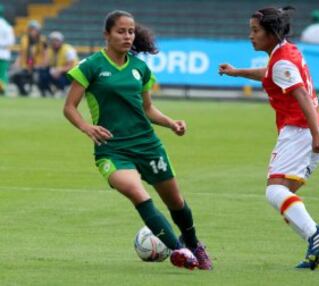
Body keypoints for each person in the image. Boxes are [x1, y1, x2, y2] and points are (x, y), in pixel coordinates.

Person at [63, 10, 212, 270]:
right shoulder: (91, 66)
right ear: (106, 35)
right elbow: (69, 107)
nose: (127, 36)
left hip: (147, 145)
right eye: (121, 31)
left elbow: (147, 109)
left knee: (175, 202)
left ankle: (194, 244)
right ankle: (181, 253)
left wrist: (171, 123)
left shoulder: (140, 68)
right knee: (136, 192)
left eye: (130, 31)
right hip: (112, 149)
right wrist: (87, 127)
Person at [219, 6, 319, 270]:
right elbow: (269, 73)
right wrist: (237, 72)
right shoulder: (284, 53)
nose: (251, 35)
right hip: (309, 130)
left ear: (271, 33)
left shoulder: (282, 60)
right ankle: (317, 241)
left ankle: (314, 234)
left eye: (256, 31)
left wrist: (315, 133)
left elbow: (301, 95)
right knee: (287, 198)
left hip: (301, 131)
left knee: (275, 191)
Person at [12, 20, 48, 96]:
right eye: (30, 30)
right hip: (26, 65)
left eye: (34, 30)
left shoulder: (43, 40)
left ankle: (43, 92)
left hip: (38, 66)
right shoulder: (24, 39)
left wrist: (42, 65)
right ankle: (24, 92)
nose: (32, 32)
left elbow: (46, 55)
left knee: (41, 76)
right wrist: (17, 63)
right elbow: (21, 53)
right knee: (16, 76)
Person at [40, 31, 78, 96]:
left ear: (61, 41)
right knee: (42, 73)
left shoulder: (68, 49)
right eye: (52, 40)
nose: (54, 42)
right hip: (56, 71)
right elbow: (45, 64)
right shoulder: (49, 50)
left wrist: (60, 70)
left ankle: (62, 90)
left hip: (70, 73)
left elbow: (72, 66)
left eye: (57, 40)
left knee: (61, 77)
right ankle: (48, 91)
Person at [0, 4, 15, 95]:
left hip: (3, 54)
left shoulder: (6, 25)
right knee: (2, 75)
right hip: (4, 54)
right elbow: (10, 42)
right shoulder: (7, 26)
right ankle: (3, 91)